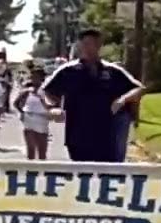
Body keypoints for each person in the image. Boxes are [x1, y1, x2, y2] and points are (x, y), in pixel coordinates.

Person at [41, 28, 144, 163]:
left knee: (106, 176)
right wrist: (52, 107)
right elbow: (45, 91)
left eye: (94, 43)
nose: (89, 48)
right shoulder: (68, 71)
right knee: (83, 176)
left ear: (100, 45)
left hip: (107, 136)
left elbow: (138, 88)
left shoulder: (112, 71)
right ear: (80, 46)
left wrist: (122, 99)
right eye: (86, 44)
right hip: (77, 136)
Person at [15, 66, 52, 160]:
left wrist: (42, 98)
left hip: (42, 119)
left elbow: (52, 105)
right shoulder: (27, 91)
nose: (33, 79)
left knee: (42, 150)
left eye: (36, 77)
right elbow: (16, 103)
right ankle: (30, 172)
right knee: (30, 149)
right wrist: (23, 112)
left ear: (41, 78)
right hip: (29, 119)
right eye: (32, 76)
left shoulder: (47, 90)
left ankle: (42, 171)